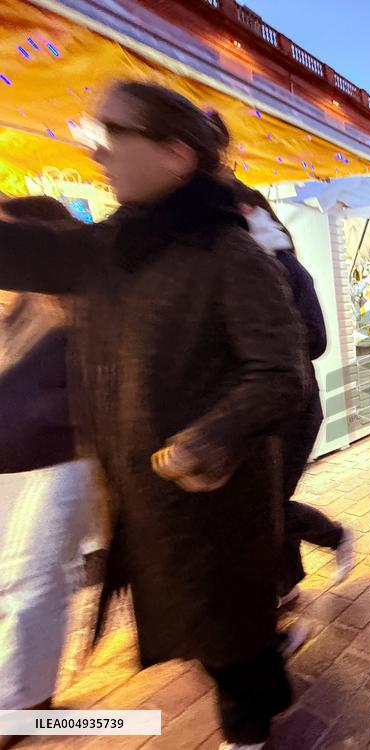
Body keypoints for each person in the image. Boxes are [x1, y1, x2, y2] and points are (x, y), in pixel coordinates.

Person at [0, 81, 307, 750]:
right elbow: (25, 251)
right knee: (202, 632)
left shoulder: (232, 255)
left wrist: (211, 437)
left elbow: (284, 374)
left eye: (115, 137)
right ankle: (263, 683)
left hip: (213, 502)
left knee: (225, 638)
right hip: (145, 502)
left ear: (173, 155)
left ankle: (248, 730)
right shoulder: (112, 245)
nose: (99, 156)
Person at [232, 184, 355, 615]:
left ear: (247, 212)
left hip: (294, 408)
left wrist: (259, 341)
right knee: (265, 506)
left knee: (267, 507)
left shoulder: (285, 267)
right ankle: (285, 586)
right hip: (261, 412)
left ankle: (334, 536)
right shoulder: (239, 267)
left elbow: (317, 338)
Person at [0, 199, 88, 737]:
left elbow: (100, 391)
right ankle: (28, 690)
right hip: (20, 461)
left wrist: (34, 410)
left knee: (33, 580)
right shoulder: (23, 307)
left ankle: (20, 702)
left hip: (64, 460)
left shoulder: (82, 307)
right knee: (23, 579)